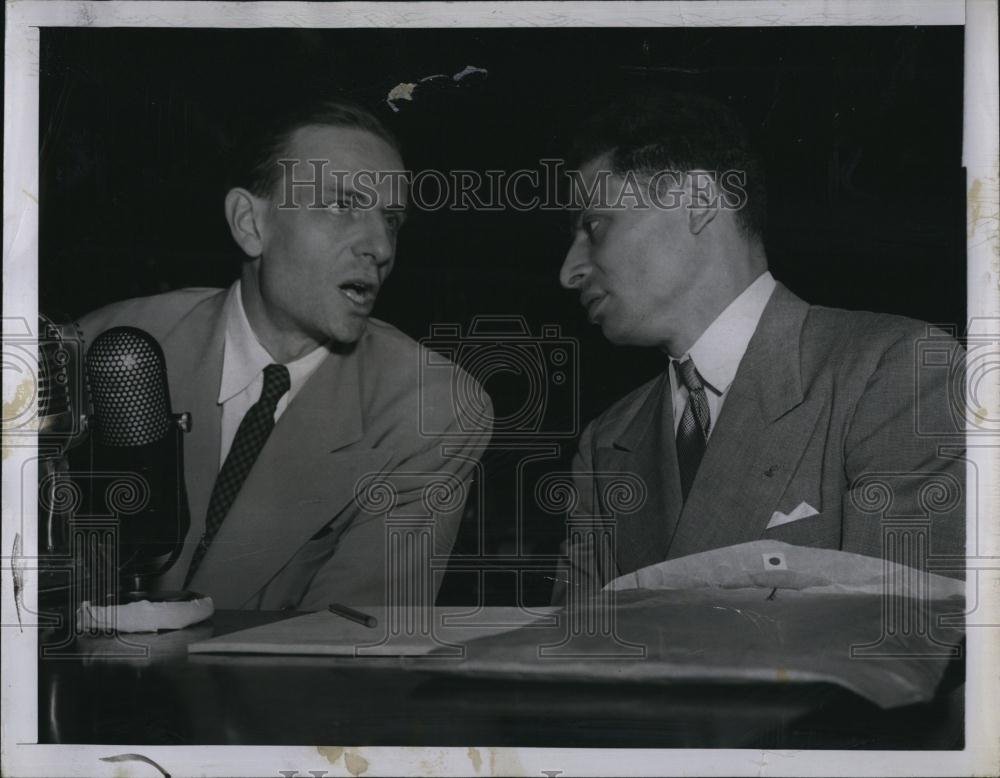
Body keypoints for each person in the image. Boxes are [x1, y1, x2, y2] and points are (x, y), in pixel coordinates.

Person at [76, 100, 492, 610]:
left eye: (392, 220)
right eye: (343, 205)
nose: (381, 246)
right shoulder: (101, 352)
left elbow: (343, 651)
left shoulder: (429, 407)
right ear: (250, 224)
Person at [555, 91, 965, 592]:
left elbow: (897, 641)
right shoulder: (606, 442)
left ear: (698, 202)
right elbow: (576, 650)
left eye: (593, 226)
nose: (569, 272)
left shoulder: (896, 371)